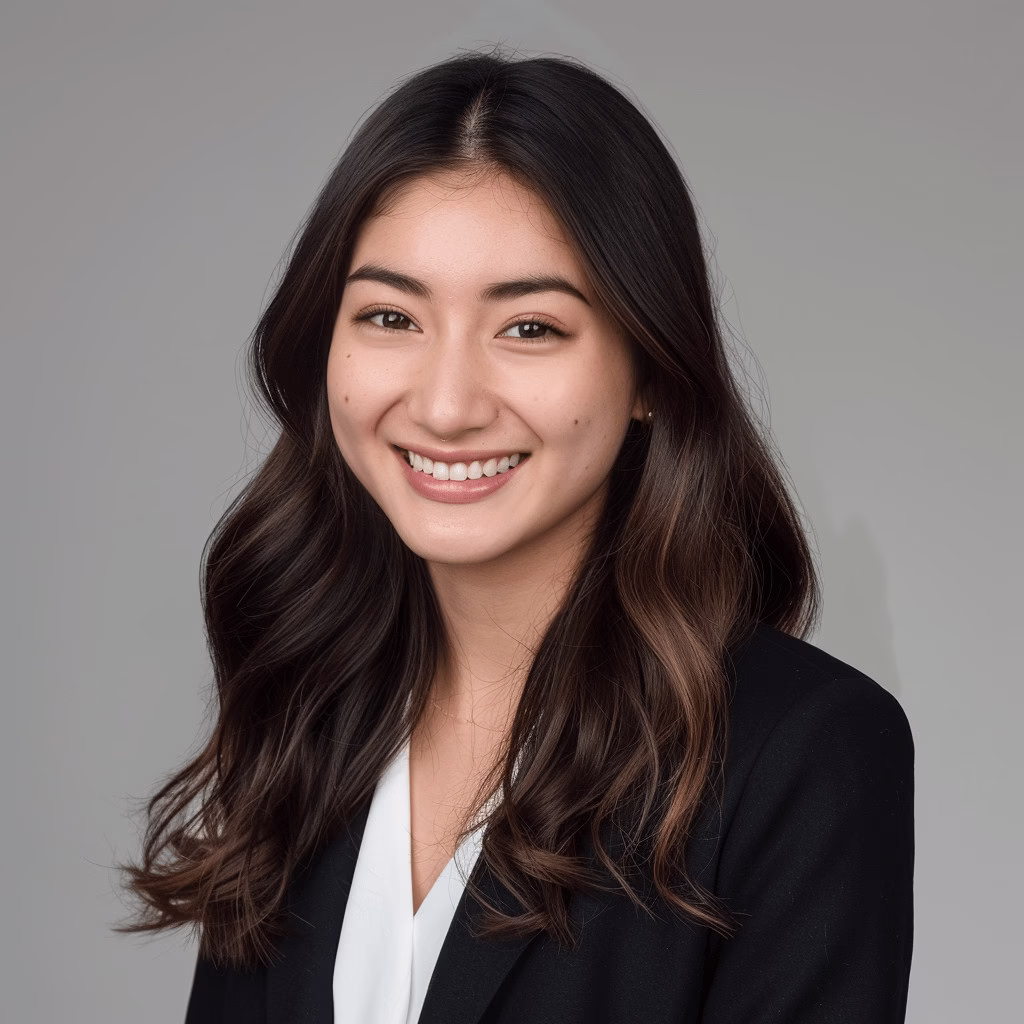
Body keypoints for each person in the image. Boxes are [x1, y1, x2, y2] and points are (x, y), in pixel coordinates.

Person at [121, 49, 915, 1023]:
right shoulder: (308, 712)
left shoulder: (801, 752)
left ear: (652, 376)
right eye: (389, 316)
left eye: (529, 328)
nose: (446, 404)